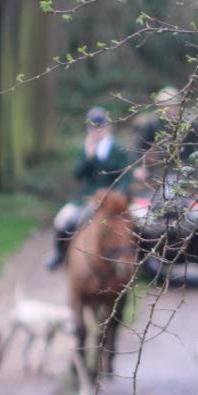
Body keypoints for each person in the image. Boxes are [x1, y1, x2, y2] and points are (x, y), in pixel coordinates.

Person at [45, 106, 135, 271]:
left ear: (108, 127)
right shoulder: (84, 150)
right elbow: (78, 174)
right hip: (87, 198)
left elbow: (126, 176)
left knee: (134, 223)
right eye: (93, 128)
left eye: (100, 127)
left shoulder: (119, 150)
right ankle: (59, 255)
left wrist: (119, 196)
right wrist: (89, 157)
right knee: (62, 219)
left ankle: (135, 259)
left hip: (113, 200)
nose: (97, 131)